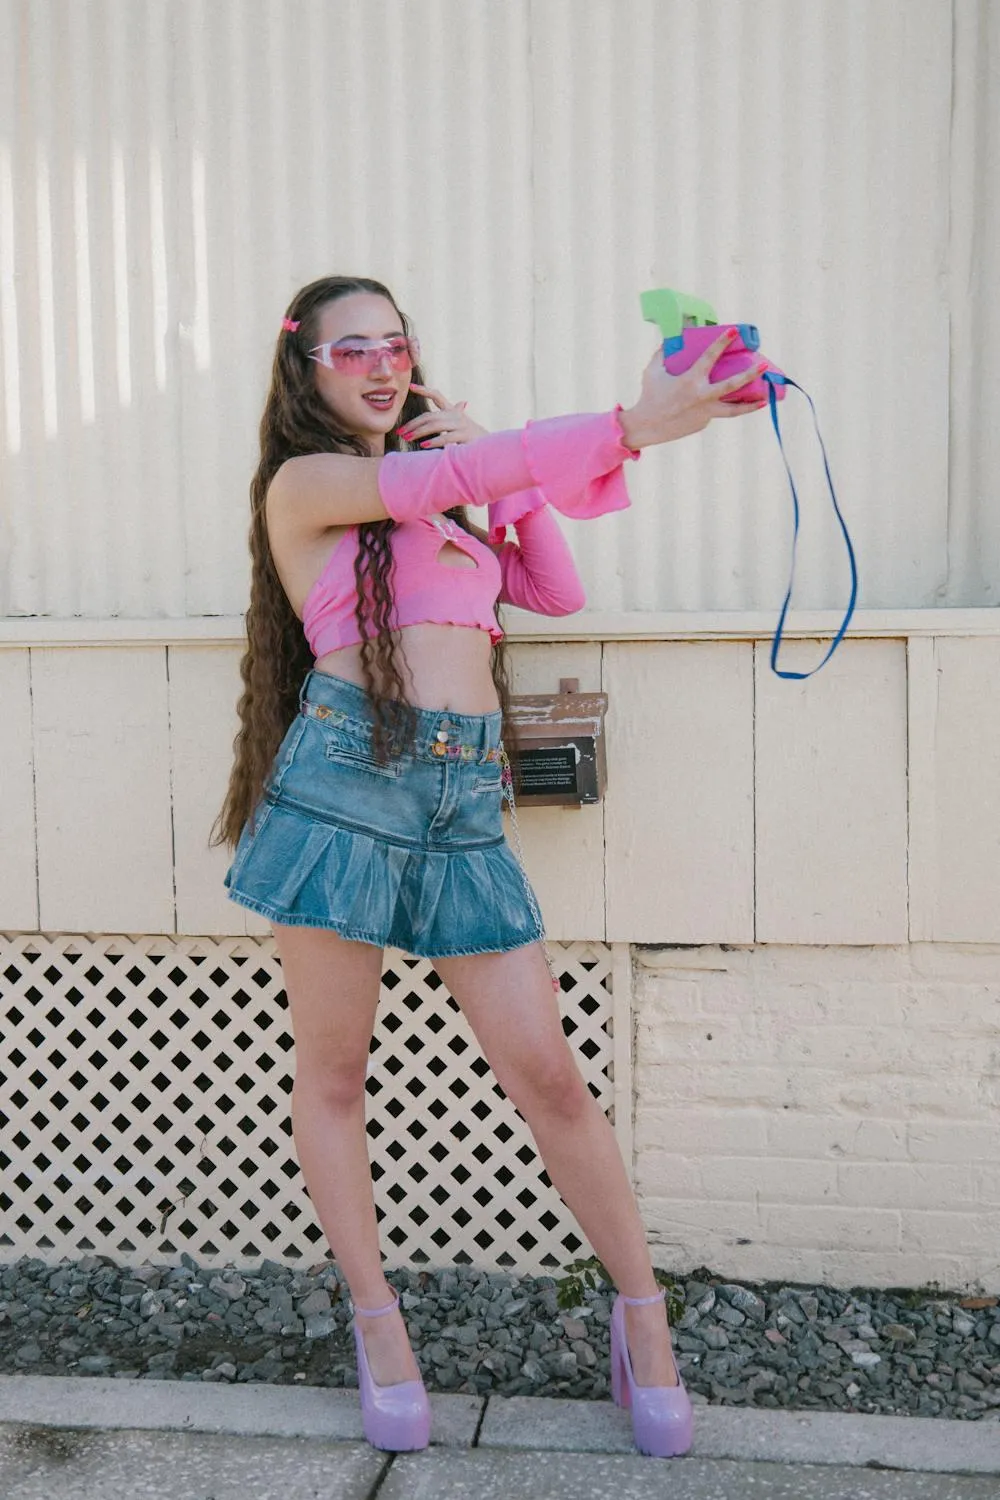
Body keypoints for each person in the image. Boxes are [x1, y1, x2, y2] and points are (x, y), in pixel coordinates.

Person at [213, 274, 766, 1458]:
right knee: (334, 1076)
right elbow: (427, 480)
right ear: (304, 368)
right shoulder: (307, 486)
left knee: (550, 1080)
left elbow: (554, 588)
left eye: (395, 344)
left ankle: (643, 1323)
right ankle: (380, 1329)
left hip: (463, 797)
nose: (382, 364)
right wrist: (625, 427)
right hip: (345, 789)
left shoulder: (450, 511)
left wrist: (502, 480)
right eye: (352, 348)